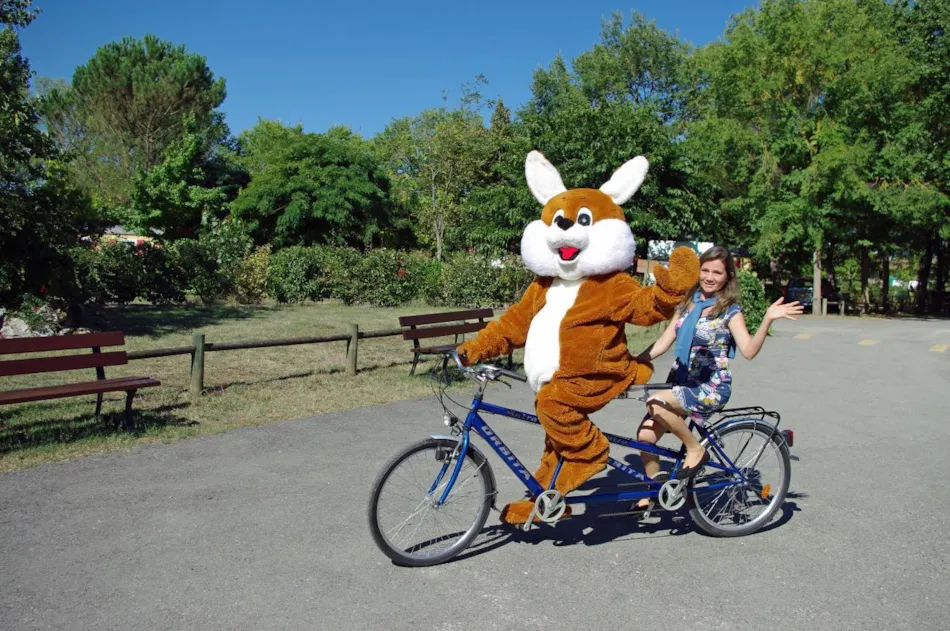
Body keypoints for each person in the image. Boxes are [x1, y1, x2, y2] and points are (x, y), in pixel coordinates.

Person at [631, 246, 803, 512]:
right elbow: (663, 343)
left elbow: (748, 351)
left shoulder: (729, 310)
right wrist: (631, 364)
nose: (710, 277)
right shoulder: (687, 304)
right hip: (679, 382)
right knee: (644, 437)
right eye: (705, 270)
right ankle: (653, 489)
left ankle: (695, 450)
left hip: (709, 387)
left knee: (654, 403)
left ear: (727, 277)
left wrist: (768, 319)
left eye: (717, 272)